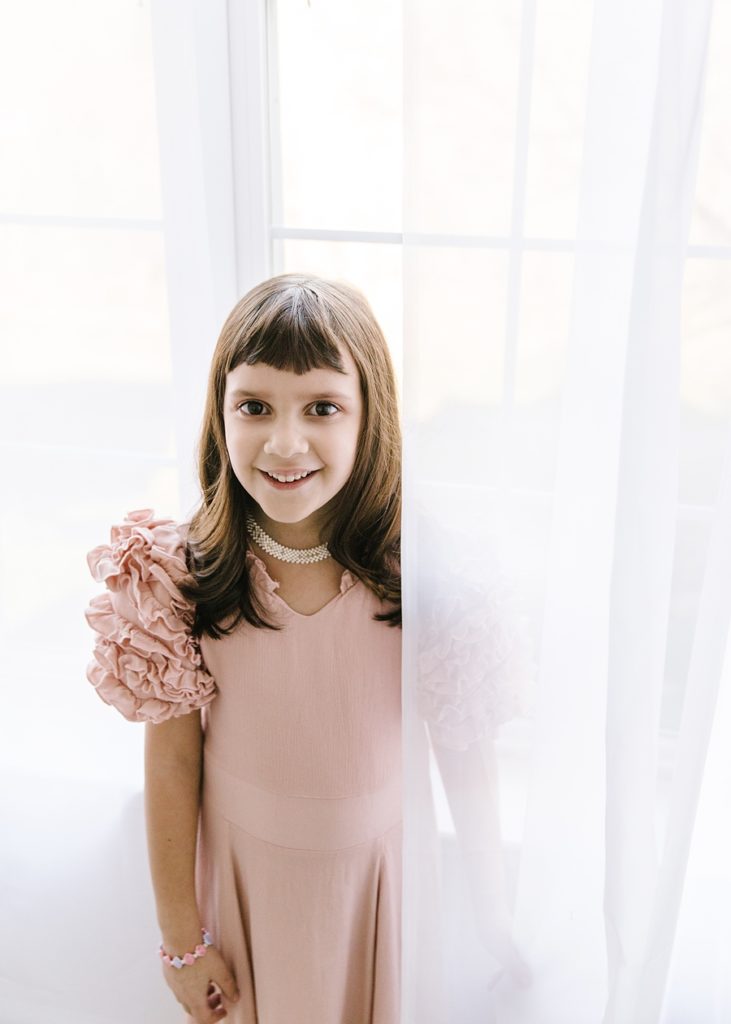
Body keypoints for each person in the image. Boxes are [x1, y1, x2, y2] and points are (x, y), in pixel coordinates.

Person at [84, 273, 529, 1024]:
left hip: (378, 889)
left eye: (321, 407)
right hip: (246, 886)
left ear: (369, 418)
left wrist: (493, 915)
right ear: (220, 414)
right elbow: (171, 761)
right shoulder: (182, 578)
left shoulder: (423, 577)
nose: (284, 443)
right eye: (254, 407)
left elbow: (465, 756)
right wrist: (182, 943)